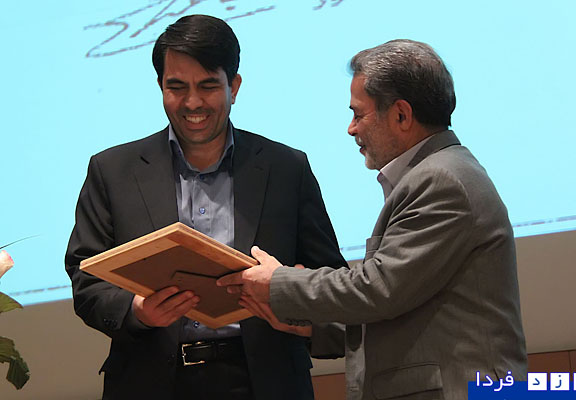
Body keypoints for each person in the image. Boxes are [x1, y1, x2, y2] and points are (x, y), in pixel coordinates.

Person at [218, 39, 528, 400]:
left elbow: (378, 289)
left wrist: (278, 282)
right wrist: (311, 326)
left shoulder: (441, 180)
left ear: (401, 115)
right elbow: (402, 307)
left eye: (358, 114)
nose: (351, 129)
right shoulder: (440, 173)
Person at [65, 14, 346, 400]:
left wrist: (292, 299)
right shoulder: (112, 170)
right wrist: (137, 310)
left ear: (234, 86)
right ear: (160, 86)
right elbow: (86, 278)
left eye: (208, 86)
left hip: (267, 380)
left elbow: (331, 279)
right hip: (150, 381)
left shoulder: (286, 168)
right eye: (176, 87)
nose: (192, 102)